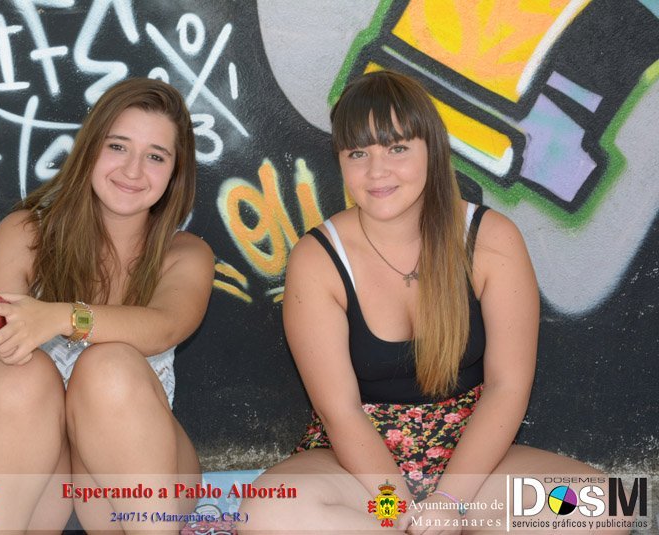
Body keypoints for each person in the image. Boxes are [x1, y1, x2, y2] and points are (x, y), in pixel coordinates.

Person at [239, 70, 609, 533]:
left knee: (603, 506)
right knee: (267, 512)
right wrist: (397, 513)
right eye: (358, 153)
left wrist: (449, 502)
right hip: (362, 471)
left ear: (431, 150)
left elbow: (507, 387)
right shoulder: (318, 259)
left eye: (397, 148)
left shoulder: (491, 240)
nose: (377, 171)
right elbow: (340, 412)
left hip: (470, 463)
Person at [0, 78, 214, 533]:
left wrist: (58, 317)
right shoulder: (26, 234)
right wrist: (3, 342)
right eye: (117, 146)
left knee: (109, 366)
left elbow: (166, 326)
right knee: (18, 373)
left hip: (127, 489)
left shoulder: (185, 254)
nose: (132, 170)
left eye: (155, 156)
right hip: (31, 488)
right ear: (89, 149)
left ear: (176, 172)